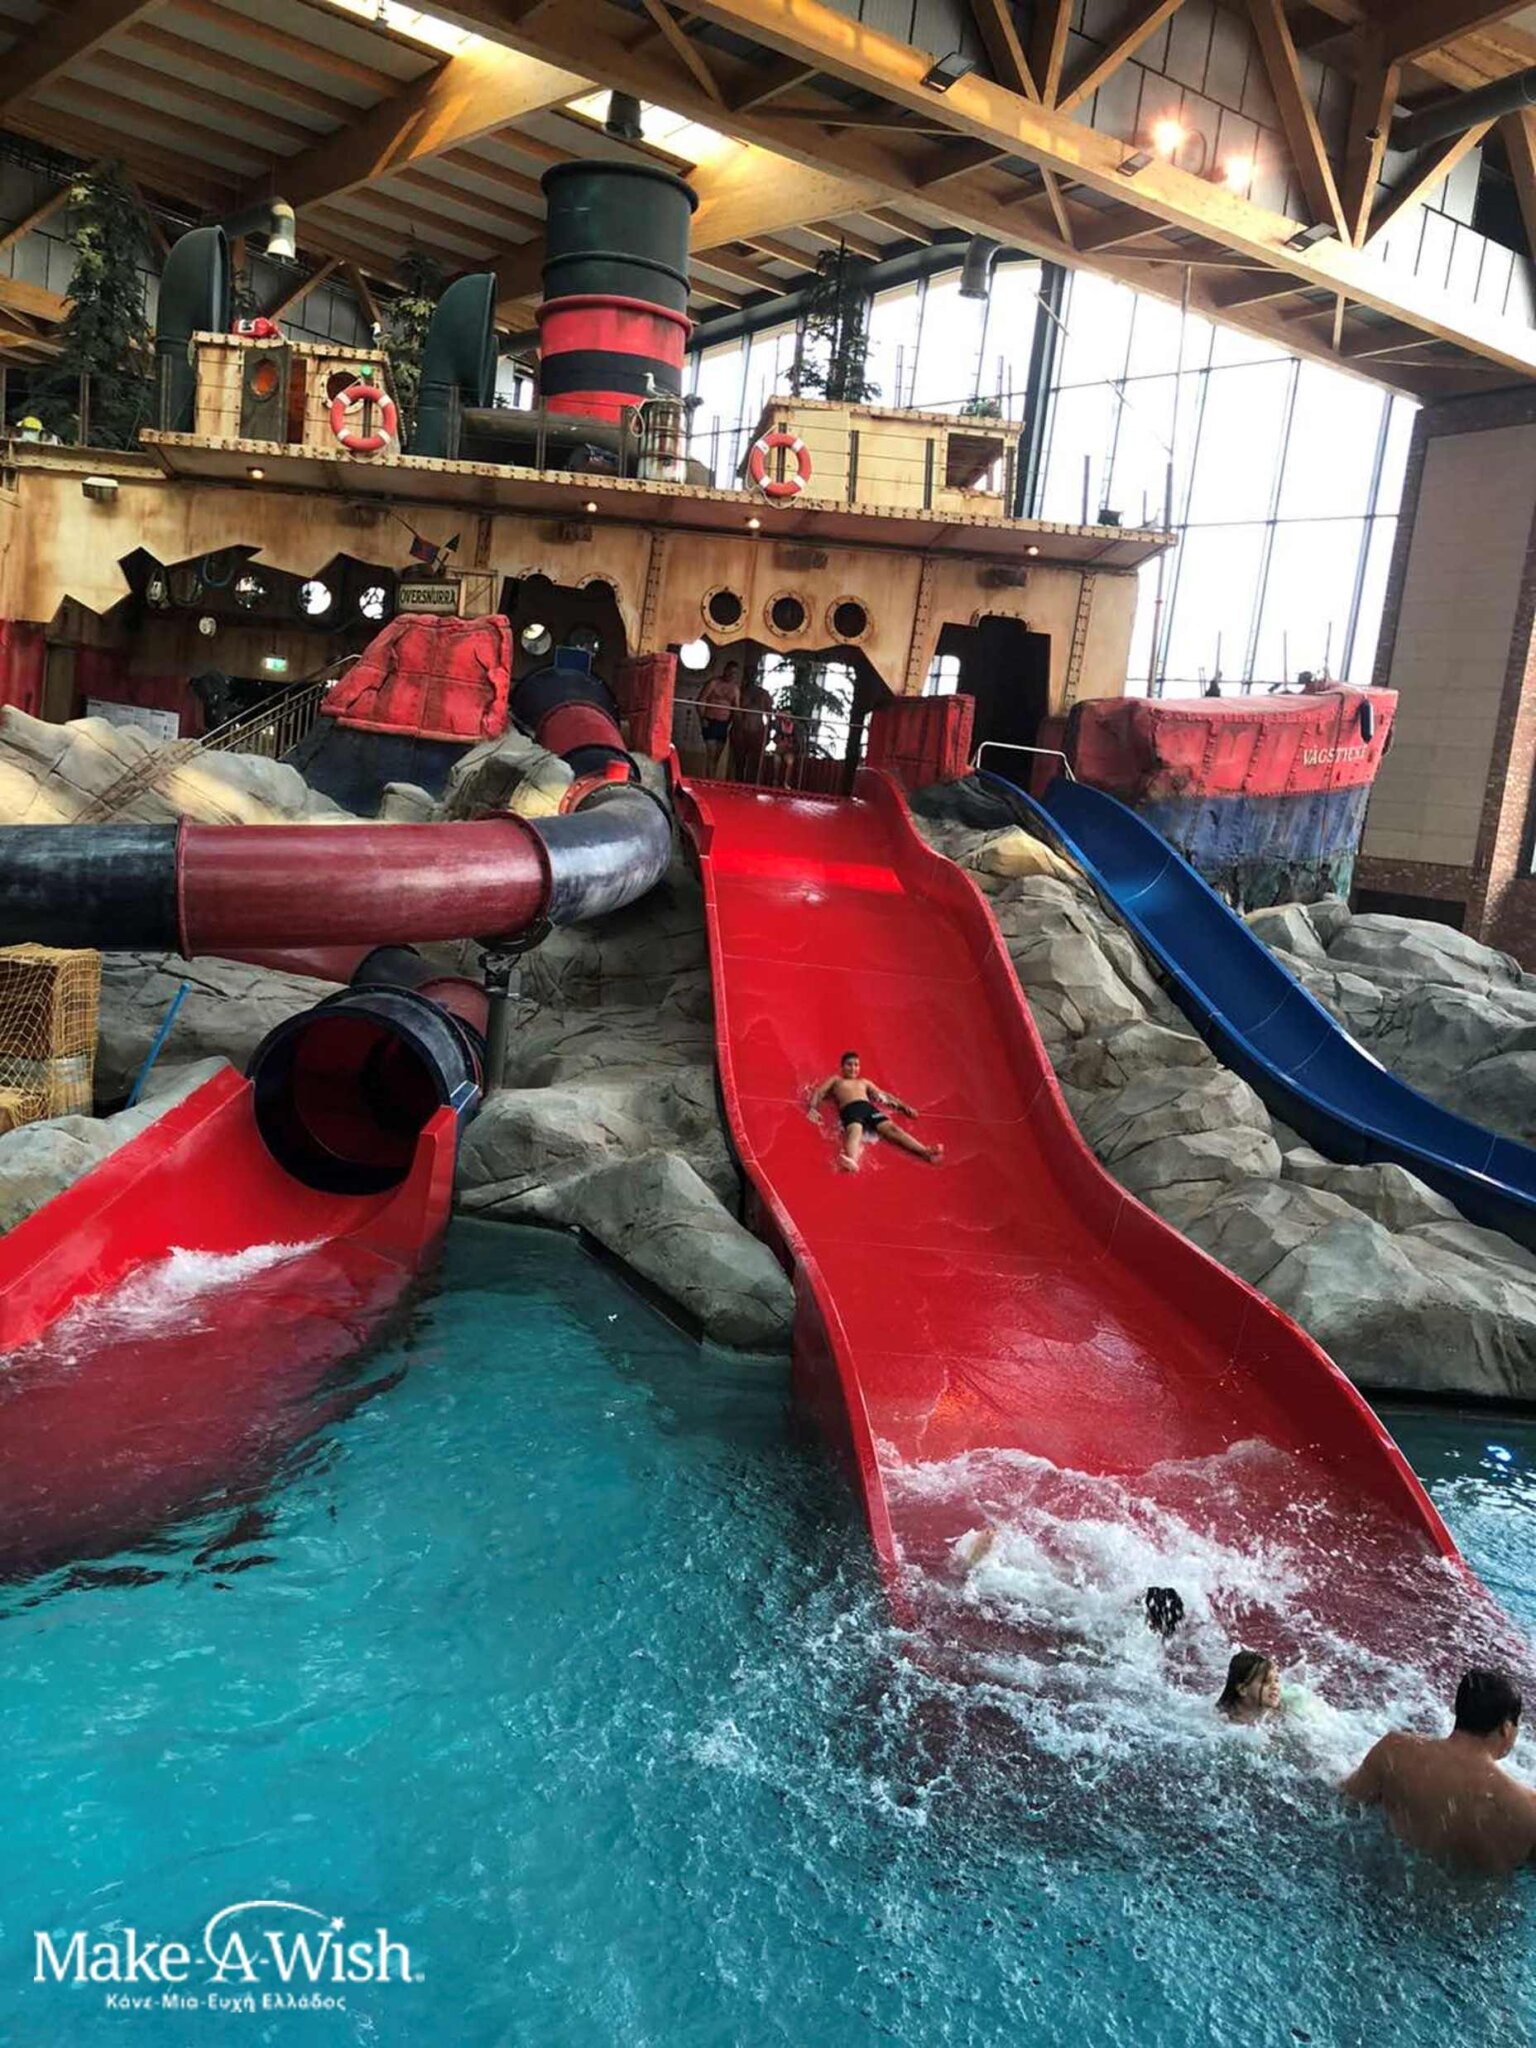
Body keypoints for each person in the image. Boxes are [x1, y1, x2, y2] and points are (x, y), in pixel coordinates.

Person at [1340, 1668, 1536, 1875]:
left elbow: (1347, 1800)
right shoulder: (1528, 1809)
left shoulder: (1395, 1750)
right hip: (1471, 1895)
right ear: (1506, 1727)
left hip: (1384, 1880)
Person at [808, 1050, 943, 1172]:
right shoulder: (836, 1080)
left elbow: (884, 1096)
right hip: (850, 1109)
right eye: (849, 1064)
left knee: (893, 1129)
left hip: (868, 1109)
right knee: (855, 1130)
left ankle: (924, 1151)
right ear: (842, 1067)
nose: (853, 1068)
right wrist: (813, 1108)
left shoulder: (864, 1082)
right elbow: (819, 1093)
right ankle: (852, 1160)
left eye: (856, 1065)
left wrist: (904, 1107)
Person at [1216, 1649, 1282, 1723]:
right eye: (1265, 1681)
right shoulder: (1222, 1721)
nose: (1275, 1687)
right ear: (1243, 1689)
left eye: (1276, 1680)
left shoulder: (1280, 1712)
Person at [698, 660, 741, 773]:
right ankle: (709, 779)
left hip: (723, 724)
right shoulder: (713, 683)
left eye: (734, 673)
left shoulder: (735, 689)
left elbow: (736, 709)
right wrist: (702, 718)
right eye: (730, 671)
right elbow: (701, 700)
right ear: (725, 670)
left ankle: (711, 778)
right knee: (711, 753)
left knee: (717, 756)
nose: (731, 675)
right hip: (710, 721)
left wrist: (735, 725)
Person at [734, 672, 773, 784]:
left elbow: (769, 714)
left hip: (757, 730)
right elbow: (736, 712)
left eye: (753, 675)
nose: (751, 677)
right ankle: (738, 782)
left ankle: (752, 784)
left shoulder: (763, 694)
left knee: (754, 762)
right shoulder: (740, 692)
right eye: (749, 675)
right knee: (739, 760)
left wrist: (768, 732)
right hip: (742, 729)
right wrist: (737, 728)